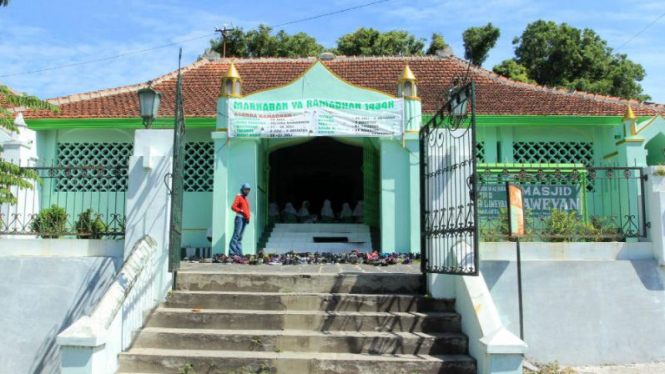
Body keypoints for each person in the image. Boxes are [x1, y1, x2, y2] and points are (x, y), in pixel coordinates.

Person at [229, 183, 251, 256]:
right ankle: (232, 252)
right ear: (242, 189)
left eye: (248, 190)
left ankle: (239, 253)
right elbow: (233, 207)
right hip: (239, 219)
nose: (246, 191)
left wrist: (248, 218)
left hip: (245, 219)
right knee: (236, 235)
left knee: (240, 237)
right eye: (245, 190)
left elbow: (247, 210)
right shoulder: (238, 196)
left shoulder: (246, 199)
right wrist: (240, 211)